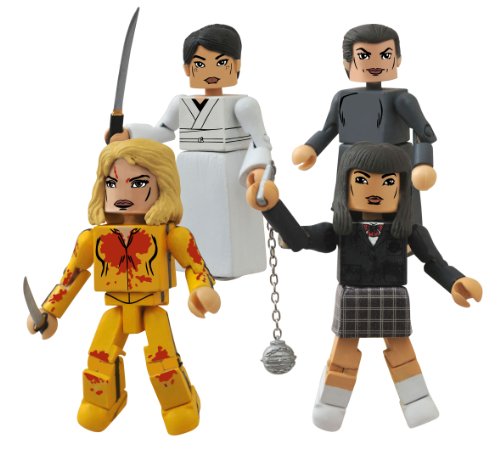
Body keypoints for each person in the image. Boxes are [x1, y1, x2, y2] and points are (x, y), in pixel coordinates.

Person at [250, 142, 482, 431]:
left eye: (388, 182)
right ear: (345, 183)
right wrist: (272, 208)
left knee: (402, 351)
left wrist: (455, 281)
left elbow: (434, 261)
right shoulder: (340, 230)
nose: (375, 190)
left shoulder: (410, 232)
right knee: (343, 354)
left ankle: (417, 400)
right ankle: (331, 404)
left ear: (403, 188)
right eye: (361, 180)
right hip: (353, 298)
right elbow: (300, 238)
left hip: (392, 298)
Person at [27, 139, 221, 435]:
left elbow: (195, 266)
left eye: (138, 183)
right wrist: (50, 311)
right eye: (112, 183)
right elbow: (73, 273)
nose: (122, 194)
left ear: (163, 185)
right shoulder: (92, 239)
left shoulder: (173, 235)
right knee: (100, 357)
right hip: (116, 309)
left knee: (163, 362)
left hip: (152, 308)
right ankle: (102, 402)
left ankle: (180, 404)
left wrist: (201, 290)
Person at [111, 24, 274, 278]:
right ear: (187, 69)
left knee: (228, 225)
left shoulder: (243, 105)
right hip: (189, 171)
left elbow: (260, 141)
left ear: (237, 64)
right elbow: (164, 130)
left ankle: (228, 265)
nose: (211, 71)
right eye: (200, 64)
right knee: (193, 220)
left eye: (221, 63)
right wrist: (129, 133)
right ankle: (191, 263)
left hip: (231, 169)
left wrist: (257, 169)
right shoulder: (181, 103)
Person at [292, 24, 437, 224]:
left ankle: (406, 237)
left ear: (398, 59)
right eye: (364, 56)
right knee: (348, 212)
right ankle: (348, 236)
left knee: (400, 211)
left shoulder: (402, 100)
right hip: (352, 162)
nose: (375, 63)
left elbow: (423, 132)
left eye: (385, 55)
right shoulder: (343, 98)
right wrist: (312, 147)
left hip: (393, 161)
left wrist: (423, 163)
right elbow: (330, 128)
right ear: (347, 62)